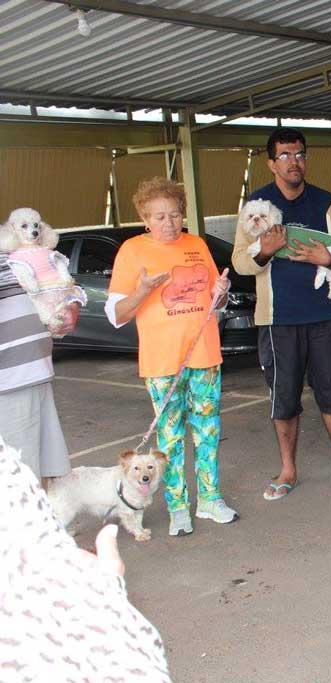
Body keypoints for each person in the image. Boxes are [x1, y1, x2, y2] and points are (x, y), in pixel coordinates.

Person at [232, 127, 331, 501]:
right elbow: (239, 263)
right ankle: (287, 470)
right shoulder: (255, 207)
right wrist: (264, 250)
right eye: (284, 156)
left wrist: (327, 259)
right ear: (271, 163)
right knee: (284, 398)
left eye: (299, 154)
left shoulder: (327, 205)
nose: (293, 162)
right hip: (278, 321)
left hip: (325, 316)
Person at [107, 177, 238, 536]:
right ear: (145, 218)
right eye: (160, 216)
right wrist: (143, 290)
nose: (169, 223)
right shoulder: (132, 251)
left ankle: (209, 499)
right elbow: (116, 314)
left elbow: (218, 302)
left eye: (175, 215)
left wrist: (222, 291)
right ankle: (177, 507)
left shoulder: (196, 244)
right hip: (162, 361)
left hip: (205, 354)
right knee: (170, 439)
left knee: (208, 431)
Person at [0, 436, 171, 682]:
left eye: (150, 468)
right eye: (138, 469)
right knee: (64, 512)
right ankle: (47, 534)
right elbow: (127, 508)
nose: (145, 474)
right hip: (74, 489)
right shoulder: (125, 484)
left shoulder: (143, 479)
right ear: (127, 469)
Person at [0, 247, 79, 489]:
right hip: (10, 382)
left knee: (46, 465)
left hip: (39, 373)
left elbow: (67, 289)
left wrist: (71, 308)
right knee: (21, 473)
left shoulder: (13, 249)